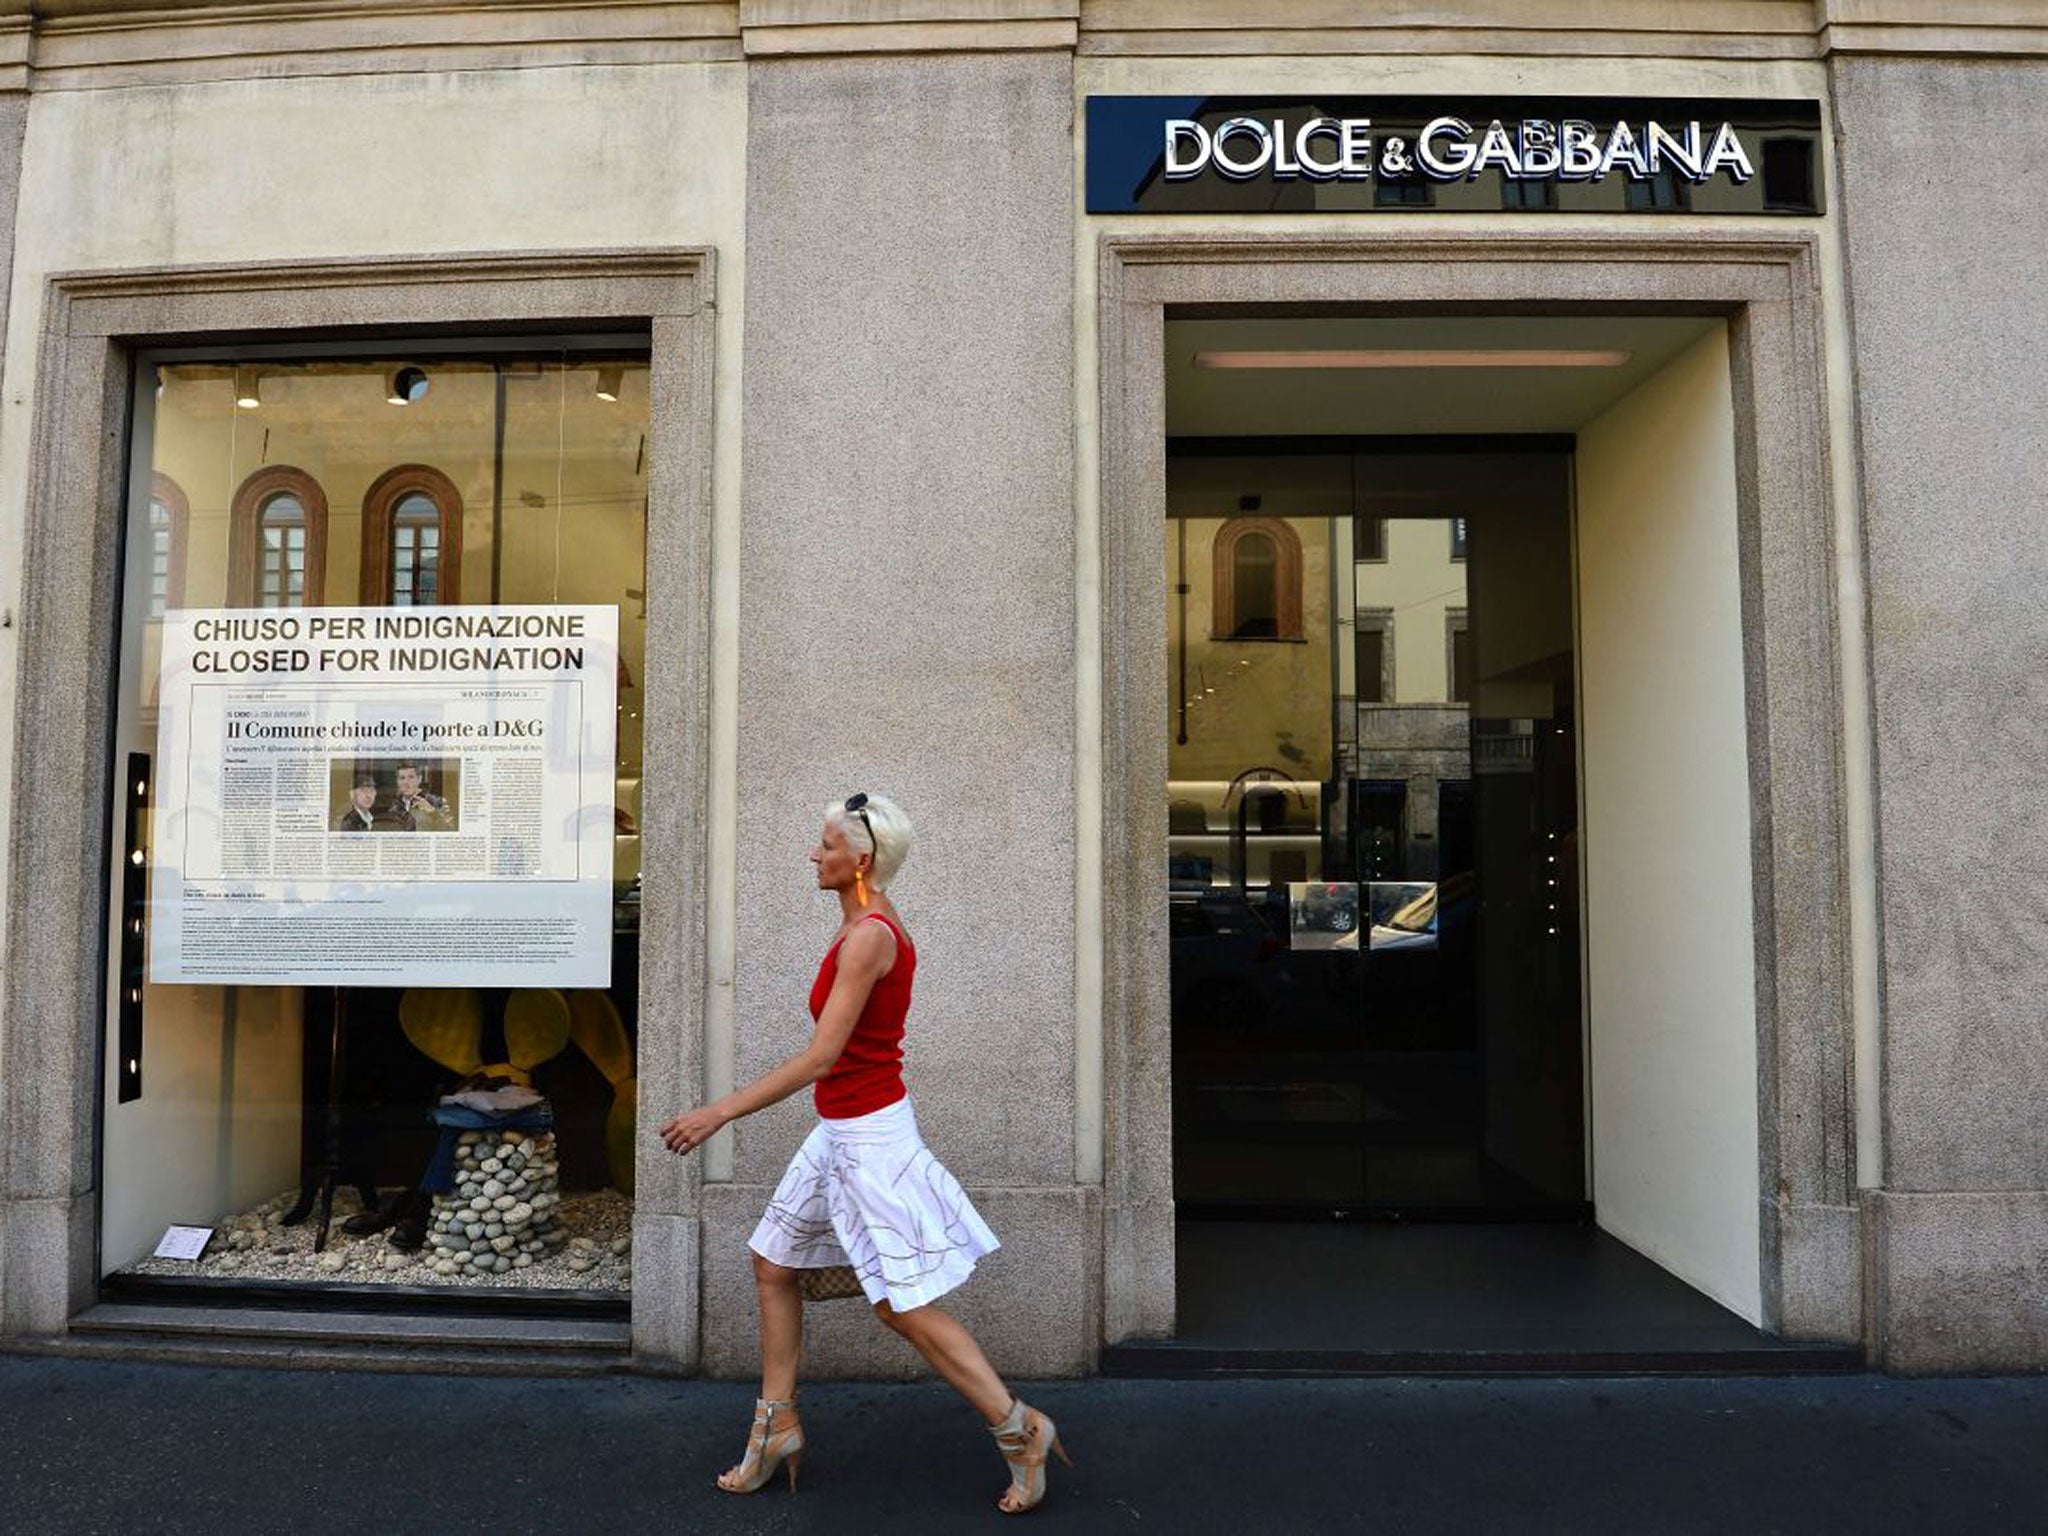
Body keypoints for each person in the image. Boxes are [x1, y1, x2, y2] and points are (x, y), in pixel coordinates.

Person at [659, 793, 1070, 1514]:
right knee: (774, 1264)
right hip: (842, 1131)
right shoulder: (860, 923)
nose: (812, 855)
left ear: (862, 860)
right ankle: (776, 1426)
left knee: (900, 1308)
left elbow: (823, 1057)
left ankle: (1020, 1428)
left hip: (870, 1139)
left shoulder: (869, 936)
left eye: (824, 845)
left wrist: (719, 1111)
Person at [391, 761, 452, 831]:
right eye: (402, 778)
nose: (406, 782)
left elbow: (449, 829)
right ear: (397, 781)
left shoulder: (437, 801)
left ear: (419, 779)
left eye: (411, 777)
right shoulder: (393, 806)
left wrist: (432, 812)